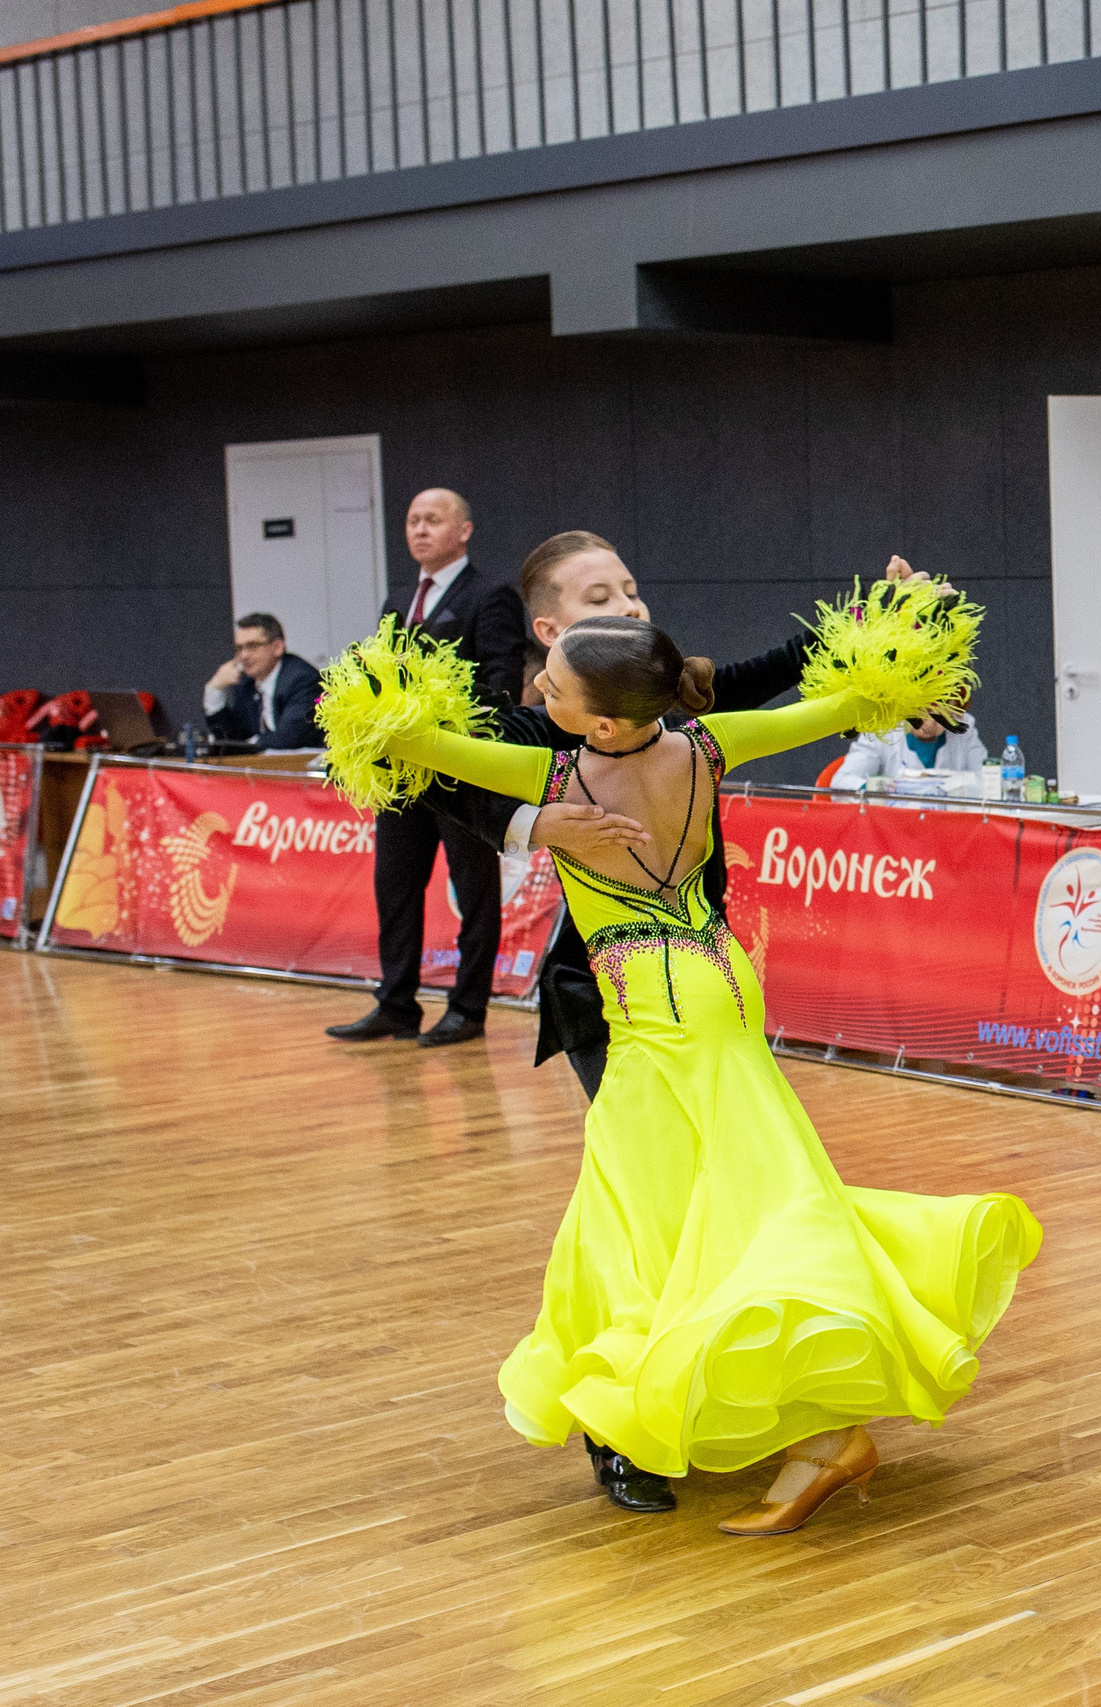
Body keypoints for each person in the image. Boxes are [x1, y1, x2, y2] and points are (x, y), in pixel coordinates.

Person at [315, 587, 1042, 1532]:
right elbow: (841, 705)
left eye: (559, 688)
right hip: (724, 983)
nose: (540, 692)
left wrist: (401, 706)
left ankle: (812, 1433)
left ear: (605, 721)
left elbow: (407, 747)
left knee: (638, 1217)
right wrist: (897, 633)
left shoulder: (554, 767)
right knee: (748, 1193)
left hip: (656, 1011)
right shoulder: (706, 744)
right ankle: (806, 1426)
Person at [425, 531, 849, 1103]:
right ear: (549, 633)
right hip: (601, 992)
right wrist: (531, 823)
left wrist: (872, 620)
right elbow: (428, 764)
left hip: (710, 976)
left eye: (631, 591)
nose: (628, 606)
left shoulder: (680, 713)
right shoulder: (544, 733)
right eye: (599, 598)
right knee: (648, 1164)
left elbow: (775, 669)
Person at [326, 489, 525, 1048]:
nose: (419, 530)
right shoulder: (399, 601)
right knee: (394, 887)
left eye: (432, 520)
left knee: (474, 891)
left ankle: (468, 1009)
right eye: (412, 520)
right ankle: (395, 1004)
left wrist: (446, 722)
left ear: (463, 530)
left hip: (460, 771)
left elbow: (502, 682)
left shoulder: (490, 595)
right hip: (401, 773)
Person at [202, 612, 321, 749]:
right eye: (239, 648)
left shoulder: (302, 679)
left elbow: (289, 739)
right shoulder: (246, 684)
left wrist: (247, 744)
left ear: (277, 647)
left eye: (252, 646)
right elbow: (231, 739)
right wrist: (214, 689)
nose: (244, 655)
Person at [831, 699, 987, 789]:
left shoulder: (963, 726)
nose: (929, 724)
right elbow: (841, 782)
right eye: (922, 712)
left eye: (940, 716)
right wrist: (886, 790)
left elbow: (988, 782)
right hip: (893, 831)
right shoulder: (884, 729)